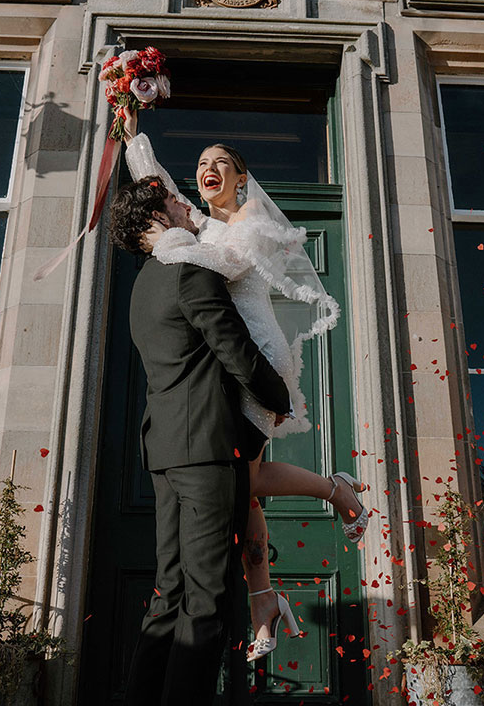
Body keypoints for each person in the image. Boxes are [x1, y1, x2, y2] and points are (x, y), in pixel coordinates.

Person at [121, 110, 368, 662]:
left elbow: (227, 265)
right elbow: (151, 180)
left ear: (240, 178)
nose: (209, 169)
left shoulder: (246, 220)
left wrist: (168, 243)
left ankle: (337, 493)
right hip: (224, 363)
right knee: (243, 484)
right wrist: (129, 122)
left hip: (257, 357)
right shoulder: (196, 224)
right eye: (202, 163)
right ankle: (263, 597)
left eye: (221, 163)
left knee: (246, 480)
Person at [107, 176, 293, 705]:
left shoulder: (143, 286)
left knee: (170, 592)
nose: (186, 203)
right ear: (157, 220)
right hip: (207, 451)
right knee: (208, 597)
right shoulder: (189, 270)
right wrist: (280, 398)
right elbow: (233, 348)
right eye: (174, 200)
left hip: (164, 452)